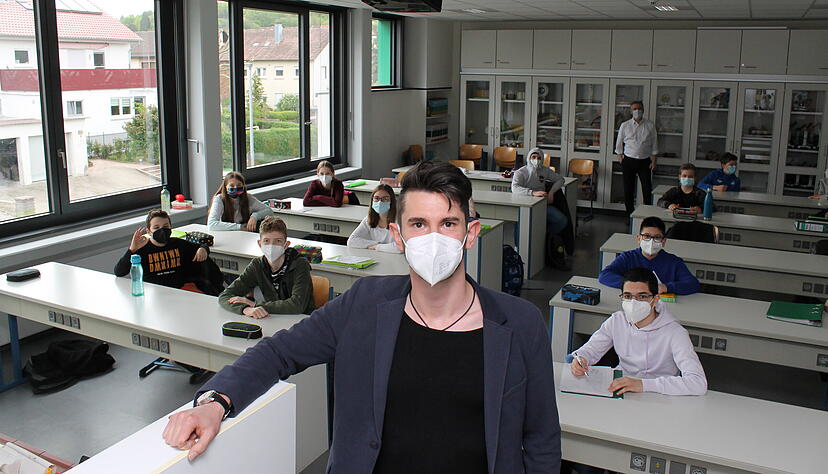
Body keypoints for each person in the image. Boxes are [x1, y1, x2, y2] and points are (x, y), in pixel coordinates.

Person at [162, 161, 561, 472]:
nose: (433, 239)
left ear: (470, 234)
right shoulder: (363, 305)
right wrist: (215, 401)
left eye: (448, 224)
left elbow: (541, 439)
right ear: (398, 236)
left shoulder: (520, 323)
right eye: (418, 224)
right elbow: (279, 352)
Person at [571, 267, 707, 396]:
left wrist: (643, 385)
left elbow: (698, 382)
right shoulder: (616, 321)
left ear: (655, 300)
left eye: (642, 296)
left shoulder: (675, 332)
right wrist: (582, 358)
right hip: (622, 388)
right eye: (627, 296)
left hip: (661, 393)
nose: (633, 302)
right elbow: (591, 349)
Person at [218, 216, 315, 318]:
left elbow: (297, 305)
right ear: (260, 244)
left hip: (302, 319)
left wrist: (254, 304)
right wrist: (245, 309)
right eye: (266, 241)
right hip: (273, 318)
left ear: (286, 245)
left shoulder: (300, 265)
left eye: (278, 241)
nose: (272, 246)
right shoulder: (257, 265)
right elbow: (225, 296)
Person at [115, 208, 215, 293]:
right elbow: (119, 272)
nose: (162, 230)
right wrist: (132, 249)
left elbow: (202, 246)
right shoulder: (142, 249)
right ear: (149, 231)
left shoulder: (178, 243)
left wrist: (203, 249)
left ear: (171, 228)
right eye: (156, 227)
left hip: (179, 291)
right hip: (153, 294)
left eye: (166, 227)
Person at [599, 216, 700, 295]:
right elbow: (605, 275)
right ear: (639, 239)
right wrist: (632, 284)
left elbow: (693, 284)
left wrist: (667, 287)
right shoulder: (628, 258)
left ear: (663, 241)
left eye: (657, 237)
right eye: (646, 236)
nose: (651, 241)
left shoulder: (673, 262)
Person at [511, 147, 571, 270]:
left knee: (561, 220)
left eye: (539, 158)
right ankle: (519, 249)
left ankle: (546, 237)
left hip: (542, 205)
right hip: (524, 206)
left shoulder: (545, 170)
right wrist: (532, 193)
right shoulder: (521, 172)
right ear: (529, 158)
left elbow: (560, 180)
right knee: (521, 224)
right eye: (533, 157)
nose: (536, 160)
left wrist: (552, 192)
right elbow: (515, 188)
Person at [615, 100, 659, 216]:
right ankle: (629, 215)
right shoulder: (625, 125)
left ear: (643, 110)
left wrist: (654, 161)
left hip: (644, 161)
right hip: (628, 161)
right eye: (634, 109)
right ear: (631, 111)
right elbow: (619, 143)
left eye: (639, 108)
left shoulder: (650, 125)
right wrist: (620, 156)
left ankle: (647, 214)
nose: (637, 111)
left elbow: (654, 144)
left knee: (647, 189)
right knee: (628, 189)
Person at [207, 171, 273, 231]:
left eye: (239, 185)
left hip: (245, 234)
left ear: (243, 186)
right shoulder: (219, 199)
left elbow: (269, 211)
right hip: (226, 234)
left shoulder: (248, 198)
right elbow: (211, 224)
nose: (235, 188)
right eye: (232, 185)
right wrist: (240, 227)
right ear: (225, 187)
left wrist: (255, 216)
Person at [347, 184, 401, 253]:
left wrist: (376, 247)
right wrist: (378, 244)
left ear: (391, 201)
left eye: (385, 199)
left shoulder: (400, 220)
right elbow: (351, 241)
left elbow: (400, 247)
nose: (380, 202)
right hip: (378, 256)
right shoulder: (369, 219)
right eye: (376, 198)